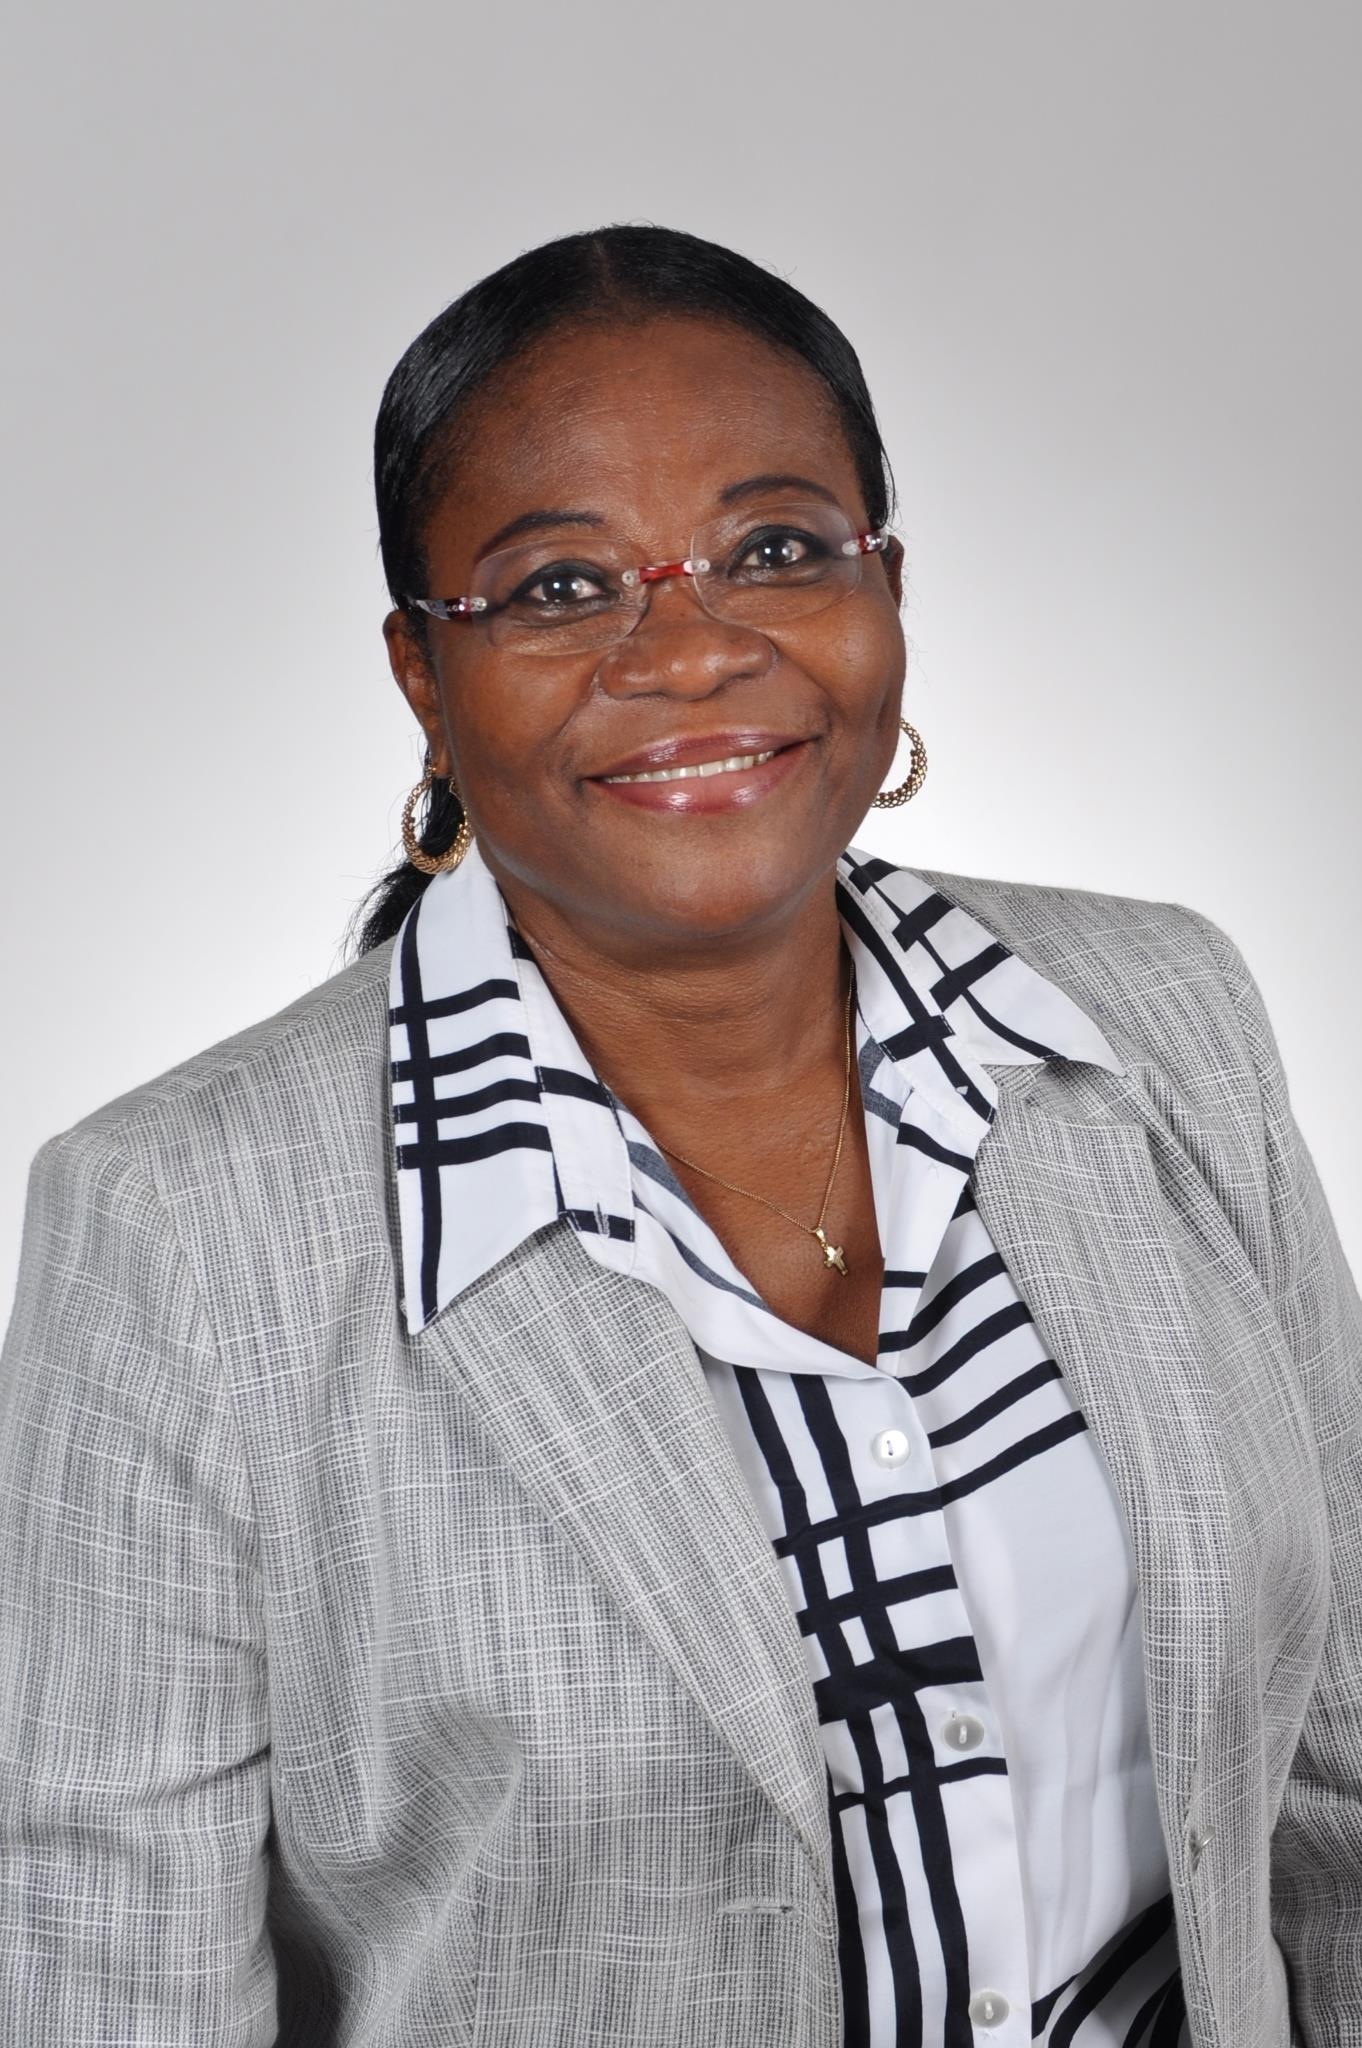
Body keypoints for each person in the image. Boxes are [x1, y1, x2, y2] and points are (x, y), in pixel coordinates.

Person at [0, 223, 1356, 2048]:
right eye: (560, 586)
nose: (694, 650)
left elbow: (1339, 1778)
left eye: (774, 549)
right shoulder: (179, 1233)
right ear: (422, 673)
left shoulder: (1161, 1021)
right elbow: (103, 1982)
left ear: (885, 587)